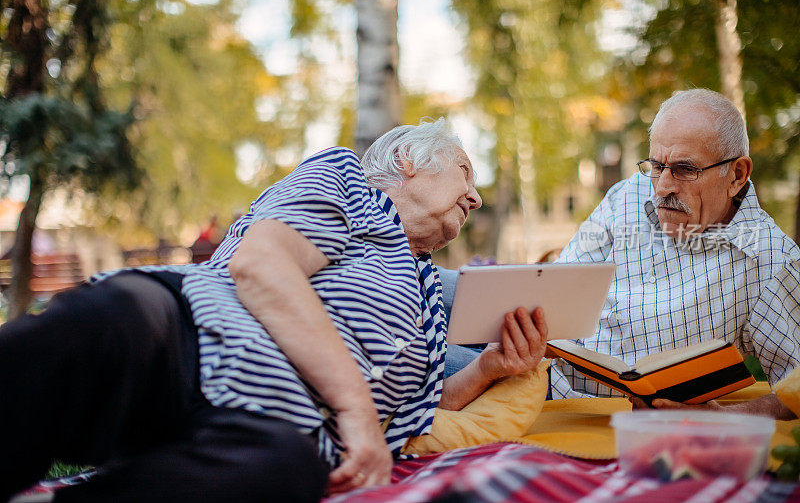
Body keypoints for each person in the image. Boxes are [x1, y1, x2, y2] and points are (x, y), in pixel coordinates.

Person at [0, 118, 549, 502]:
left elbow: (425, 404)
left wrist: (492, 367)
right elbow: (261, 266)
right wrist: (357, 412)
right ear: (408, 159)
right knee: (105, 325)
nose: (475, 200)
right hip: (187, 335)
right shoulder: (348, 184)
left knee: (282, 474)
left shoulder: (426, 292)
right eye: (466, 174)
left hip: (265, 430)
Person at [548, 88, 799, 418]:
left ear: (737, 175)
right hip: (539, 381)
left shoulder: (769, 259)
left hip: (616, 422)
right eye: (656, 165)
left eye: (684, 169)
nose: (663, 187)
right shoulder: (626, 197)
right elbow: (557, 292)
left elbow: (795, 386)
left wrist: (724, 419)